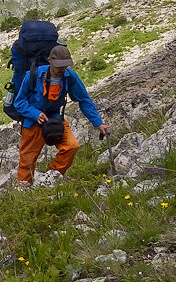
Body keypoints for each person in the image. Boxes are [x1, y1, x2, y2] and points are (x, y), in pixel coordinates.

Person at [13, 45, 110, 187]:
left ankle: (49, 179)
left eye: (65, 66)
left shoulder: (70, 77)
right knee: (27, 161)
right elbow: (19, 102)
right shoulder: (33, 75)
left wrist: (98, 123)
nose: (62, 69)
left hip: (54, 119)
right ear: (49, 61)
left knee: (71, 146)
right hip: (32, 122)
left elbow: (84, 100)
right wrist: (35, 113)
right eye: (59, 66)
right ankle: (23, 190)